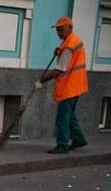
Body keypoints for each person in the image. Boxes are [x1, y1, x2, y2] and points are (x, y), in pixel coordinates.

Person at [34, 16, 88, 154]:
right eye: (57, 30)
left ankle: (62, 145)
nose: (59, 33)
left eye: (62, 30)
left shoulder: (69, 45)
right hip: (76, 85)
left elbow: (59, 69)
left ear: (70, 28)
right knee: (69, 116)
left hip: (69, 86)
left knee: (62, 117)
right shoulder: (71, 41)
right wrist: (59, 51)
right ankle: (79, 139)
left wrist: (42, 81)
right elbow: (67, 60)